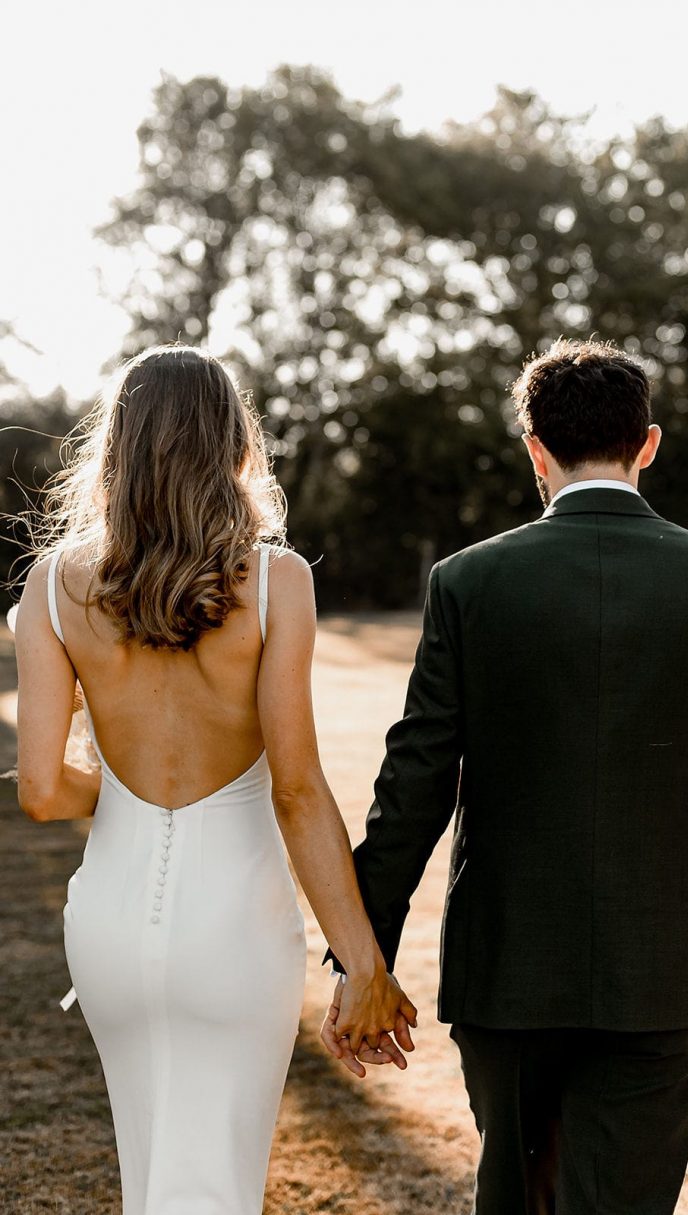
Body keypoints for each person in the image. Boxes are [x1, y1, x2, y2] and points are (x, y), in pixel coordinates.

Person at [323, 337, 688, 1215]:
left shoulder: (467, 581)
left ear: (534, 449)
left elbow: (414, 783)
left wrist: (365, 951)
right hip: (667, 961)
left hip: (508, 963)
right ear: (647, 443)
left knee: (516, 1195)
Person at [14, 345, 416, 1215]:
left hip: (111, 931)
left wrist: (121, 792)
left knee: (153, 1172)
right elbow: (298, 788)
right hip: (235, 932)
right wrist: (363, 960)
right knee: (217, 1185)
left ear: (116, 448)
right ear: (235, 445)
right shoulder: (276, 581)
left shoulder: (52, 584)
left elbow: (41, 791)